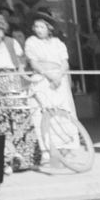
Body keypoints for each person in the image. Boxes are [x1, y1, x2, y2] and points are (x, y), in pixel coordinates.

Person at [0, 12, 41, 173]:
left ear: (3, 31)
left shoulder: (12, 42)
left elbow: (20, 65)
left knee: (20, 117)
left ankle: (26, 159)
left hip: (13, 79)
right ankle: (6, 161)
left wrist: (25, 78)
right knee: (0, 120)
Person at [24, 11, 78, 156]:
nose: (38, 30)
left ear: (49, 28)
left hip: (59, 80)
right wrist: (48, 75)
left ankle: (66, 146)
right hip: (42, 79)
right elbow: (34, 62)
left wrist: (59, 76)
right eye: (36, 27)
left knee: (62, 111)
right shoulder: (31, 42)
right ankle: (47, 150)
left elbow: (64, 62)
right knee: (45, 112)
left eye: (42, 27)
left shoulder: (57, 43)